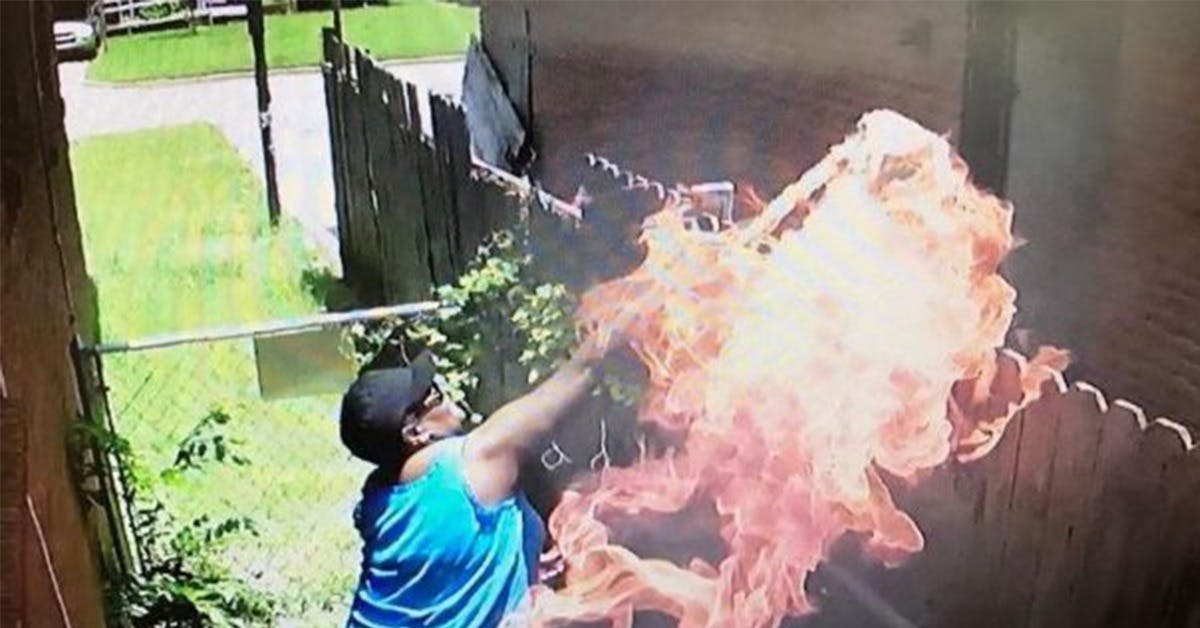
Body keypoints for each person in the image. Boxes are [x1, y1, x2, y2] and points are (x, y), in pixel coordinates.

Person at [339, 323, 630, 627]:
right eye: (432, 395)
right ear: (415, 431)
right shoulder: (477, 461)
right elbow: (581, 372)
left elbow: (452, 559)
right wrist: (633, 308)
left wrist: (528, 551)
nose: (443, 392)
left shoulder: (378, 495)